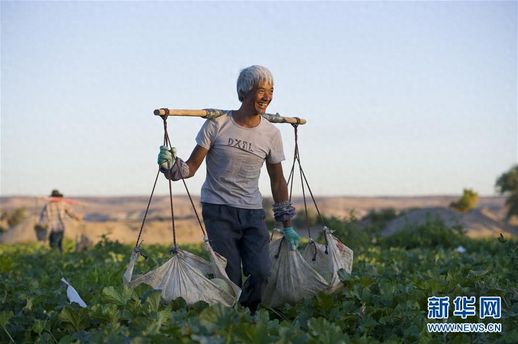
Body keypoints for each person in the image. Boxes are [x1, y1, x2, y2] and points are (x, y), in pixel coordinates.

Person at [157, 65, 300, 312]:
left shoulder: (271, 133)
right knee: (229, 274)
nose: (267, 96)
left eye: (271, 91)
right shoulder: (217, 125)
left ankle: (249, 312)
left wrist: (287, 224)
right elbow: (189, 168)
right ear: (244, 92)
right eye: (260, 90)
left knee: (261, 271)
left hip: (252, 212)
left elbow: (278, 180)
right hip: (218, 210)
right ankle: (230, 320)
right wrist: (170, 167)